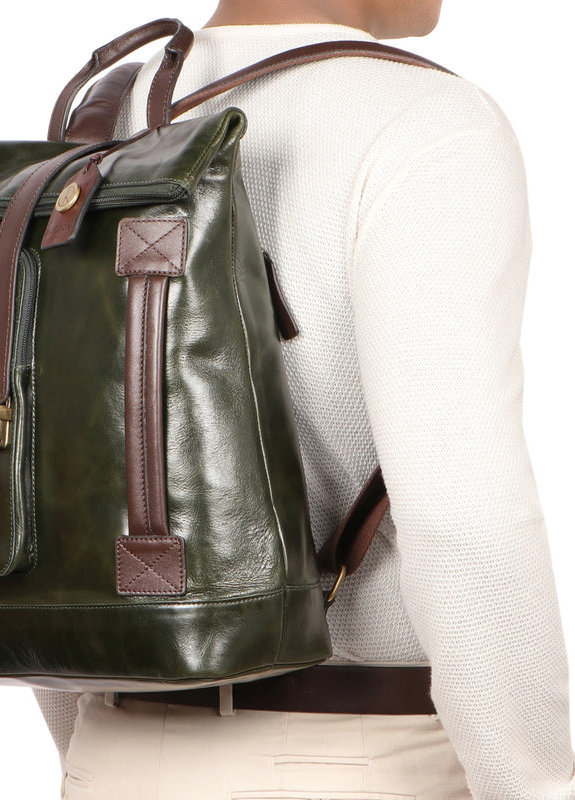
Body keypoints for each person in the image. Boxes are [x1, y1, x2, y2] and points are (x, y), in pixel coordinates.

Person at [36, 1, 575, 797]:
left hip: (112, 753)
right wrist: (537, 783)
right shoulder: (426, 122)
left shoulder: (104, 118)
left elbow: (50, 498)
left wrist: (108, 743)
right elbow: (463, 522)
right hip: (357, 762)